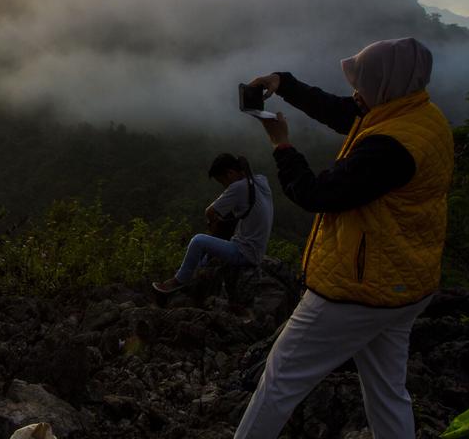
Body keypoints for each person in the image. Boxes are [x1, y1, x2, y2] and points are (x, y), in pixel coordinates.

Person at [235, 38, 453, 439]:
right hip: (404, 283)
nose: (356, 92)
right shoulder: (419, 115)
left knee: (280, 379)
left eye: (363, 82)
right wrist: (283, 82)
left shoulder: (391, 146)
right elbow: (341, 111)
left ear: (386, 84)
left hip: (357, 289)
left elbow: (317, 195)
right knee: (387, 391)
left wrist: (281, 145)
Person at [152, 154, 274, 294]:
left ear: (230, 173)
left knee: (198, 241)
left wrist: (213, 224)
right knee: (211, 243)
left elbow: (209, 212)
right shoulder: (261, 181)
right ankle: (198, 271)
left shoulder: (238, 187)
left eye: (223, 181)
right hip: (257, 251)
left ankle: (179, 281)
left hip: (245, 253)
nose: (225, 186)